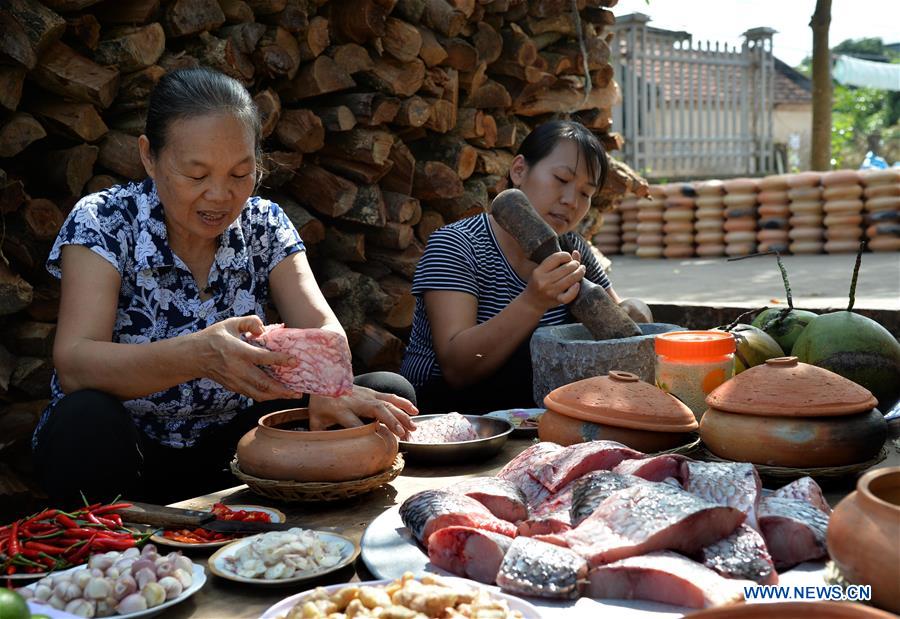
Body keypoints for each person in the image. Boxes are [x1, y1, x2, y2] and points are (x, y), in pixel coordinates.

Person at [32, 67, 418, 506]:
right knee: (83, 420)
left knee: (387, 392)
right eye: (196, 175)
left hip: (239, 447)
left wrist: (327, 387)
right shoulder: (104, 221)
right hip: (129, 449)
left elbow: (323, 332)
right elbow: (76, 363)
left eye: (240, 173)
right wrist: (199, 355)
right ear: (149, 157)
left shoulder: (263, 223)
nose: (219, 195)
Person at [400, 120, 644, 414]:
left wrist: (637, 311)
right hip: (448, 407)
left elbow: (617, 321)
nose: (570, 201)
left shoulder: (573, 249)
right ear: (519, 170)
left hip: (535, 408)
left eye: (585, 193)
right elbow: (456, 368)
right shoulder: (457, 244)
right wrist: (533, 302)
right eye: (561, 179)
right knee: (533, 354)